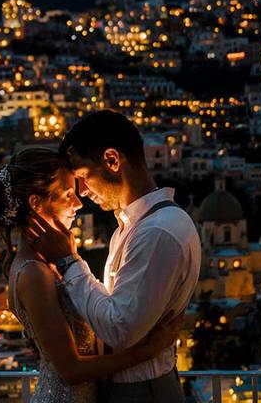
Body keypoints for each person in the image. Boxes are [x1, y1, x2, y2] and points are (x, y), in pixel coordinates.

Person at [24, 111, 201, 403]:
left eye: (82, 176)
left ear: (112, 160)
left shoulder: (157, 232)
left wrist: (69, 262)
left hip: (143, 390)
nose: (81, 192)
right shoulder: (134, 227)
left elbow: (119, 329)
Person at [0, 146, 185, 403]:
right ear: (36, 203)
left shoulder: (47, 263)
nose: (79, 203)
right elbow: (71, 370)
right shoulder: (34, 272)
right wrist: (150, 350)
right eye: (68, 194)